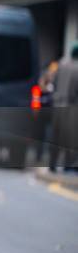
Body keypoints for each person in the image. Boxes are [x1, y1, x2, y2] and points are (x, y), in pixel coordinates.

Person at [50, 42, 78, 173]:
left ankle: (52, 164)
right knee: (70, 138)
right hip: (71, 107)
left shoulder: (61, 64)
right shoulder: (76, 68)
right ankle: (68, 165)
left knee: (55, 136)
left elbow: (54, 84)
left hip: (57, 105)